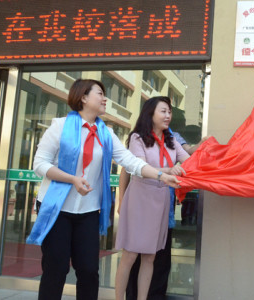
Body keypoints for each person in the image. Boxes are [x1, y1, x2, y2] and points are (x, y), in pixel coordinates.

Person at [27, 79, 180, 300]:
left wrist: (161, 175)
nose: (105, 98)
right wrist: (72, 179)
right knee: (56, 268)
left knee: (89, 271)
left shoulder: (105, 132)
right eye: (100, 93)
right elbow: (39, 164)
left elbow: (130, 161)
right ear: (83, 97)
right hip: (57, 208)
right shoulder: (59, 126)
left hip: (88, 210)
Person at [114, 96, 190, 300]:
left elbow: (189, 162)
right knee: (129, 255)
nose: (168, 116)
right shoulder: (137, 138)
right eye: (163, 111)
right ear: (151, 114)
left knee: (150, 257)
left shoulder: (171, 140)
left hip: (161, 201)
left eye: (169, 112)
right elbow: (138, 169)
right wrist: (170, 170)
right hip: (140, 199)